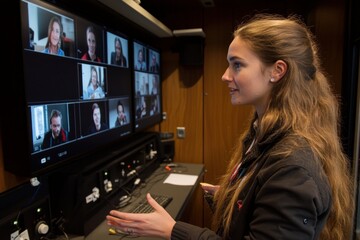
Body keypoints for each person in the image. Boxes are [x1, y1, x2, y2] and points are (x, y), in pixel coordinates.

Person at [106, 14, 354, 239]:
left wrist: (172, 230)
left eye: (237, 64)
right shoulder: (263, 132)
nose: (225, 76)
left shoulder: (293, 167)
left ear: (277, 71)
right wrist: (234, 196)